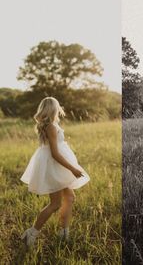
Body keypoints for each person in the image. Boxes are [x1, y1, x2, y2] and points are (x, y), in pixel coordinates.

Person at [20, 97, 90, 247]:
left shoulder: (52, 125)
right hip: (55, 166)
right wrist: (73, 168)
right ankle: (31, 233)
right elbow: (55, 154)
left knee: (70, 197)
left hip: (57, 165)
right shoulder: (51, 127)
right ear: (53, 108)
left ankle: (64, 232)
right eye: (57, 107)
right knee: (55, 203)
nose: (59, 109)